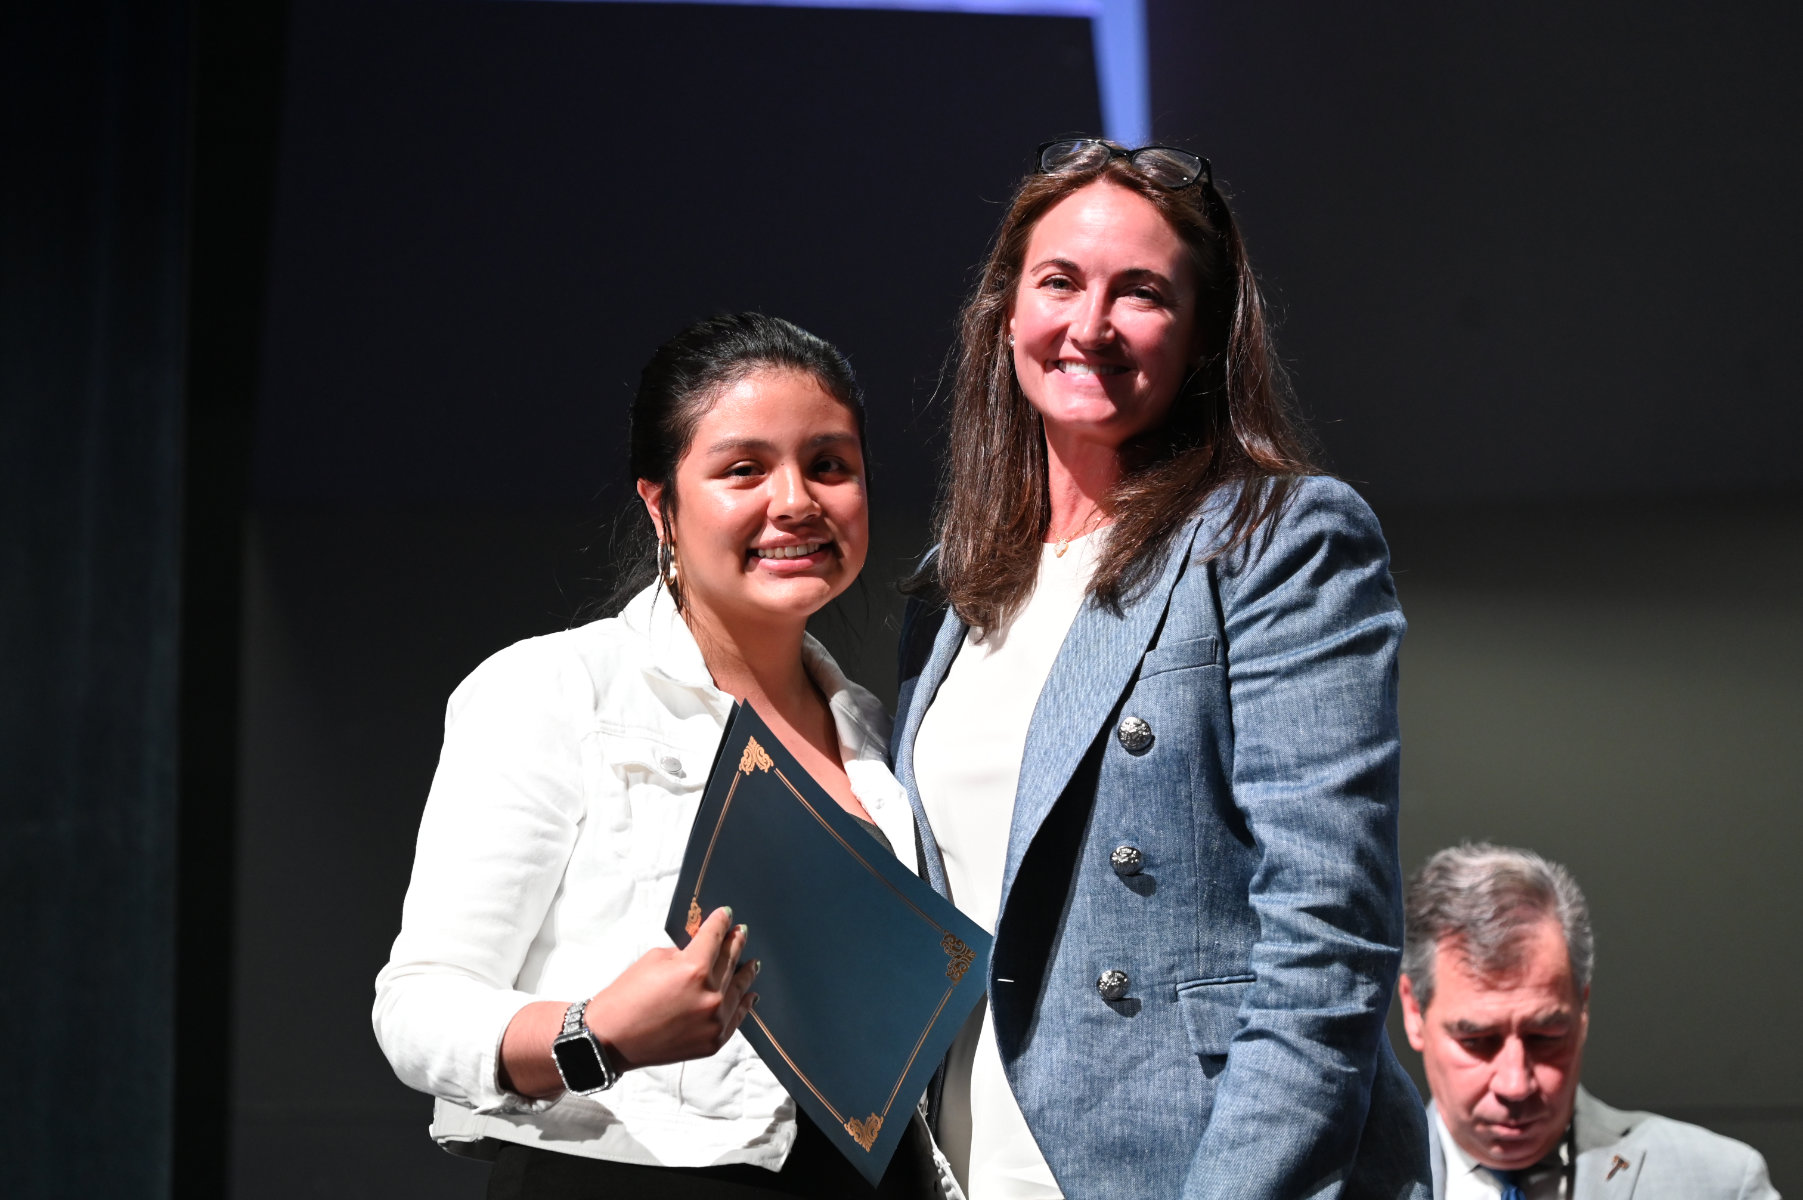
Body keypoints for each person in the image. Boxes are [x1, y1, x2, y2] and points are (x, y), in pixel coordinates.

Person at [892, 138, 1431, 1198]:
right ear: (1007, 313)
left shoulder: (1280, 538)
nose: (1089, 325)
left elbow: (1330, 935)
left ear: (1203, 338)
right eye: (1060, 282)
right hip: (969, 1166)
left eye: (1140, 293)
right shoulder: (948, 592)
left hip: (1191, 1166)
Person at [374, 313, 958, 1199]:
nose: (796, 499)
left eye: (830, 465)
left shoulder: (886, 732)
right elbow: (416, 1007)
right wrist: (596, 1030)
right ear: (663, 507)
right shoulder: (556, 689)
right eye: (743, 469)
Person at [1399, 844, 1779, 1200]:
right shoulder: (1353, 1184)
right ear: (1415, 1012)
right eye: (1478, 1040)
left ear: (1582, 1010)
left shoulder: (1721, 1183)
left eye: (1545, 1037)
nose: (1515, 1085)